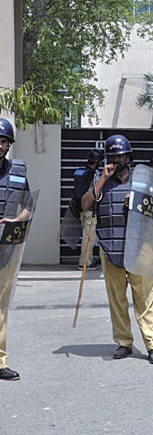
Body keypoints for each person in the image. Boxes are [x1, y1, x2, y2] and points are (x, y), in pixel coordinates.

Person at [80, 134, 153, 364]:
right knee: (116, 298)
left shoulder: (143, 178)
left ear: (128, 157)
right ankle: (124, 342)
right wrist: (102, 180)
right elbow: (85, 204)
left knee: (144, 298)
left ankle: (152, 345)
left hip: (139, 247)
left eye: (121, 156)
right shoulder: (100, 178)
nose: (116, 161)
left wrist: (137, 200)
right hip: (110, 245)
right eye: (113, 157)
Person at [0, 118, 30, 381]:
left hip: (6, 249)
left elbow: (28, 203)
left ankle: (0, 361)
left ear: (9, 144)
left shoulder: (18, 171)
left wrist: (17, 219)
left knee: (1, 307)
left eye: (3, 141)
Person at [72, 148, 103, 269]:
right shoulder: (93, 175)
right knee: (89, 237)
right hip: (90, 210)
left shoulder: (81, 172)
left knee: (86, 236)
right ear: (97, 162)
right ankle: (85, 262)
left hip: (81, 209)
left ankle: (86, 260)